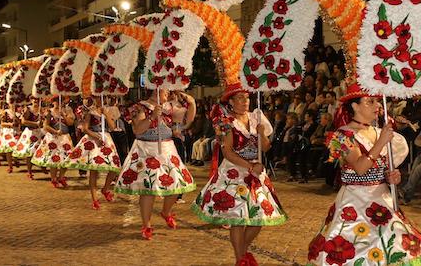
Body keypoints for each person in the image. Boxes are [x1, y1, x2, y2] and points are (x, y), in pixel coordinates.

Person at [306, 83, 421, 265]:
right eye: (371, 102)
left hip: (382, 200)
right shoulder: (343, 135)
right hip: (355, 202)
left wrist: (392, 177)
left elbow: (382, 168)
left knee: (390, 249)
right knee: (355, 251)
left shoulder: (377, 132)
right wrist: (381, 142)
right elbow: (360, 167)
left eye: (377, 101)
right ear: (354, 106)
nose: (378, 106)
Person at [191, 84, 285, 266]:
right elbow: (228, 153)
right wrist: (250, 166)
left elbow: (266, 148)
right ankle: (240, 259)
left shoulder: (257, 117)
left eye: (247, 98)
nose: (245, 101)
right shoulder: (226, 122)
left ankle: (242, 253)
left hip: (256, 173)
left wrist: (262, 134)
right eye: (240, 98)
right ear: (231, 102)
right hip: (235, 172)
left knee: (259, 219)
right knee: (238, 219)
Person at [114, 93, 196, 240]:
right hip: (146, 150)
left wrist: (192, 104)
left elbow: (186, 123)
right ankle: (146, 225)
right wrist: (152, 117)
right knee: (148, 189)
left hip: (167, 148)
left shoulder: (170, 108)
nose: (169, 93)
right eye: (166, 90)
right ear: (155, 90)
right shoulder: (139, 107)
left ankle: (166, 211)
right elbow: (137, 130)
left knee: (177, 183)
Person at [64, 97, 122, 209]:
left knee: (115, 167)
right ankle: (95, 199)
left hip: (107, 140)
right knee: (94, 170)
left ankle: (105, 189)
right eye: (97, 98)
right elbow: (85, 129)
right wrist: (97, 137)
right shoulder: (89, 112)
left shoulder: (107, 111)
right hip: (94, 140)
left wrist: (106, 114)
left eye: (103, 98)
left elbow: (112, 127)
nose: (101, 100)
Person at [31, 98, 74, 188]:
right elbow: (45, 126)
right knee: (54, 159)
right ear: (53, 102)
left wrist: (63, 115)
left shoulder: (68, 111)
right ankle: (53, 178)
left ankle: (61, 177)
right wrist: (55, 131)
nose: (58, 103)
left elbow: (70, 123)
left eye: (60, 101)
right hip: (53, 138)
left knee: (67, 158)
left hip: (65, 138)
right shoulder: (49, 112)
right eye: (56, 101)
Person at [12, 97, 44, 180]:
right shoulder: (28, 109)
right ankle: (29, 171)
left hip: (39, 132)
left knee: (40, 150)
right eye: (34, 99)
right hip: (30, 133)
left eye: (37, 99)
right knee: (29, 152)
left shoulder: (42, 109)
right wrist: (35, 123)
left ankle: (41, 166)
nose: (36, 101)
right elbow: (23, 121)